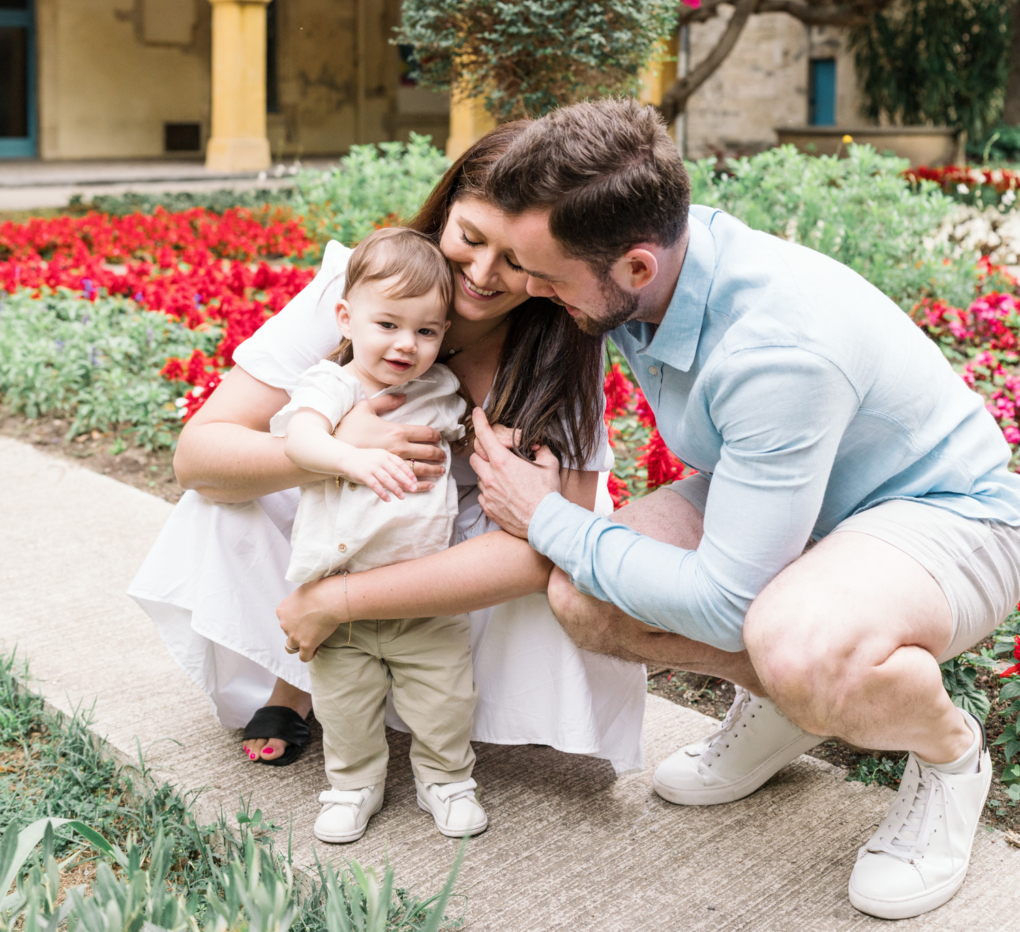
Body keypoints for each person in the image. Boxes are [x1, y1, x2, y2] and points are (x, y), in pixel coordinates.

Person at [467, 97, 1020, 923]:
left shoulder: (778, 348)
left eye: (545, 277)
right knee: (584, 593)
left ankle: (947, 757)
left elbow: (727, 603)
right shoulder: (635, 260)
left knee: (790, 642)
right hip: (803, 503)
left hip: (946, 518)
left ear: (637, 268)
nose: (529, 289)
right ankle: (788, 710)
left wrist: (547, 517)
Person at [128, 124, 645, 781]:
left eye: (515, 259)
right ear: (445, 208)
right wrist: (329, 450)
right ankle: (300, 678)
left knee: (558, 567)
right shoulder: (363, 282)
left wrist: (342, 600)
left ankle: (360, 650)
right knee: (225, 504)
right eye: (470, 238)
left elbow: (552, 544)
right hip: (348, 509)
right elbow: (197, 455)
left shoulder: (560, 344)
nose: (482, 276)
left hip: (463, 546)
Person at [273, 226, 485, 843]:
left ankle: (446, 778)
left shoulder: (441, 390)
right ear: (346, 317)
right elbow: (300, 440)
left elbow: (472, 434)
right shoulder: (333, 384)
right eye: (387, 324)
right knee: (345, 708)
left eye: (426, 331)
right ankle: (352, 785)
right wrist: (351, 457)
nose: (405, 345)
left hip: (421, 591)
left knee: (445, 700)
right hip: (339, 586)